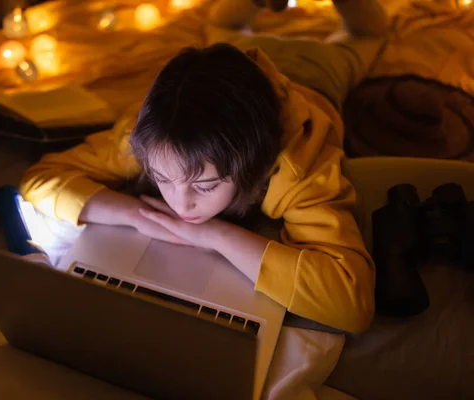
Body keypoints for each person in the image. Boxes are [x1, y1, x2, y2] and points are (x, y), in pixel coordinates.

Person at [20, 0, 390, 334]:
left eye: (206, 186)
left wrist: (213, 236)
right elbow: (40, 178)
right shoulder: (157, 137)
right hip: (236, 68)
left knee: (368, 36)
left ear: (249, 167)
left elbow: (352, 305)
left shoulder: (299, 167)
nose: (181, 207)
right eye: (163, 180)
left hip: (318, 73)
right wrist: (136, 215)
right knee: (222, 30)